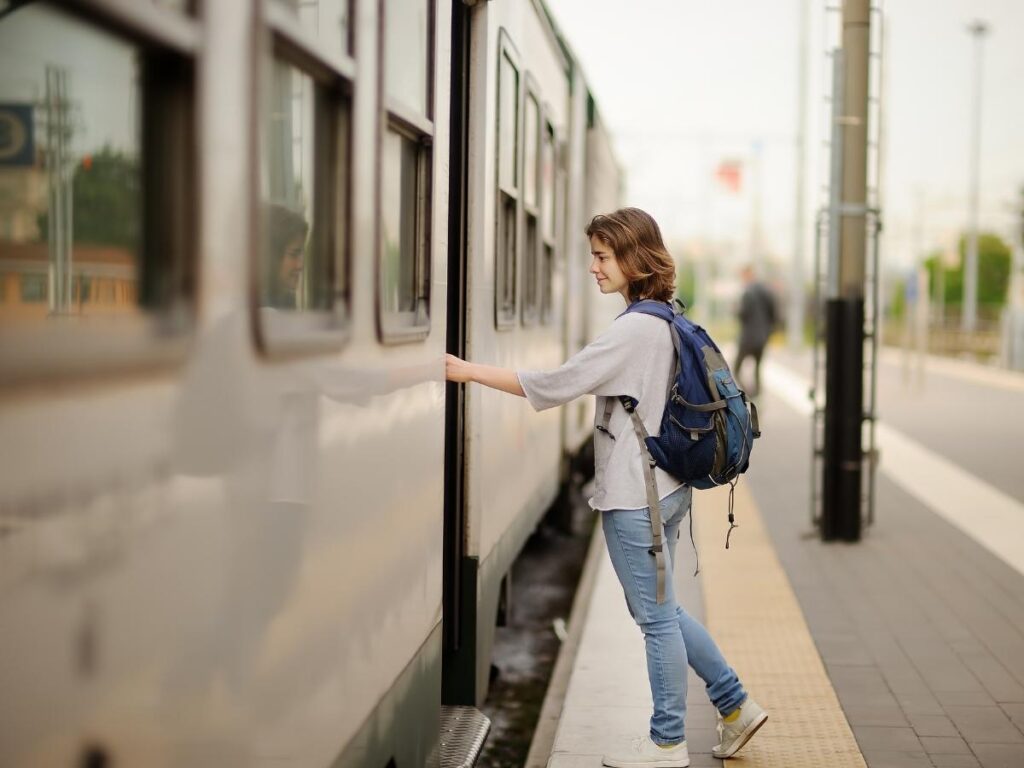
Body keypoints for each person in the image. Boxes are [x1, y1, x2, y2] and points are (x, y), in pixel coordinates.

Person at [446, 208, 766, 767]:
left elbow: (552, 384)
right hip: (667, 489)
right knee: (664, 610)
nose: (592, 267)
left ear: (632, 258)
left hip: (633, 495)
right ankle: (735, 706)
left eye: (601, 256)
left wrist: (465, 370)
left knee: (656, 619)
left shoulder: (634, 331)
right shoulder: (666, 316)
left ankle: (667, 745)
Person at [733, 265, 777, 396]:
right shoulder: (765, 290)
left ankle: (747, 393)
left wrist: (736, 310)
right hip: (762, 337)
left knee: (736, 368)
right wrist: (769, 330)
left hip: (748, 338)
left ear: (747, 275)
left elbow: (743, 313)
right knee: (758, 369)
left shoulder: (747, 292)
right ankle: (757, 395)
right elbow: (773, 311)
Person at [263, 203, 309, 310]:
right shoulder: (262, 313)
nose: (300, 265)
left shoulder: (285, 300)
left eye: (302, 254)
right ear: (271, 256)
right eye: (294, 254)